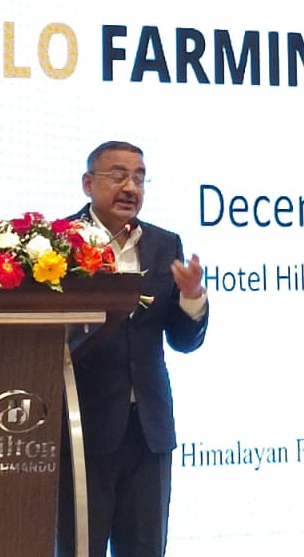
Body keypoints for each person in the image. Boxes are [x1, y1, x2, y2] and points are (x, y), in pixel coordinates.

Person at [58, 141, 207, 557]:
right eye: (118, 176)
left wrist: (192, 297)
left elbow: (183, 340)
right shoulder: (57, 243)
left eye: (139, 178)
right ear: (88, 184)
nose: (130, 187)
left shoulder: (164, 244)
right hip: (81, 431)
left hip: (148, 432)